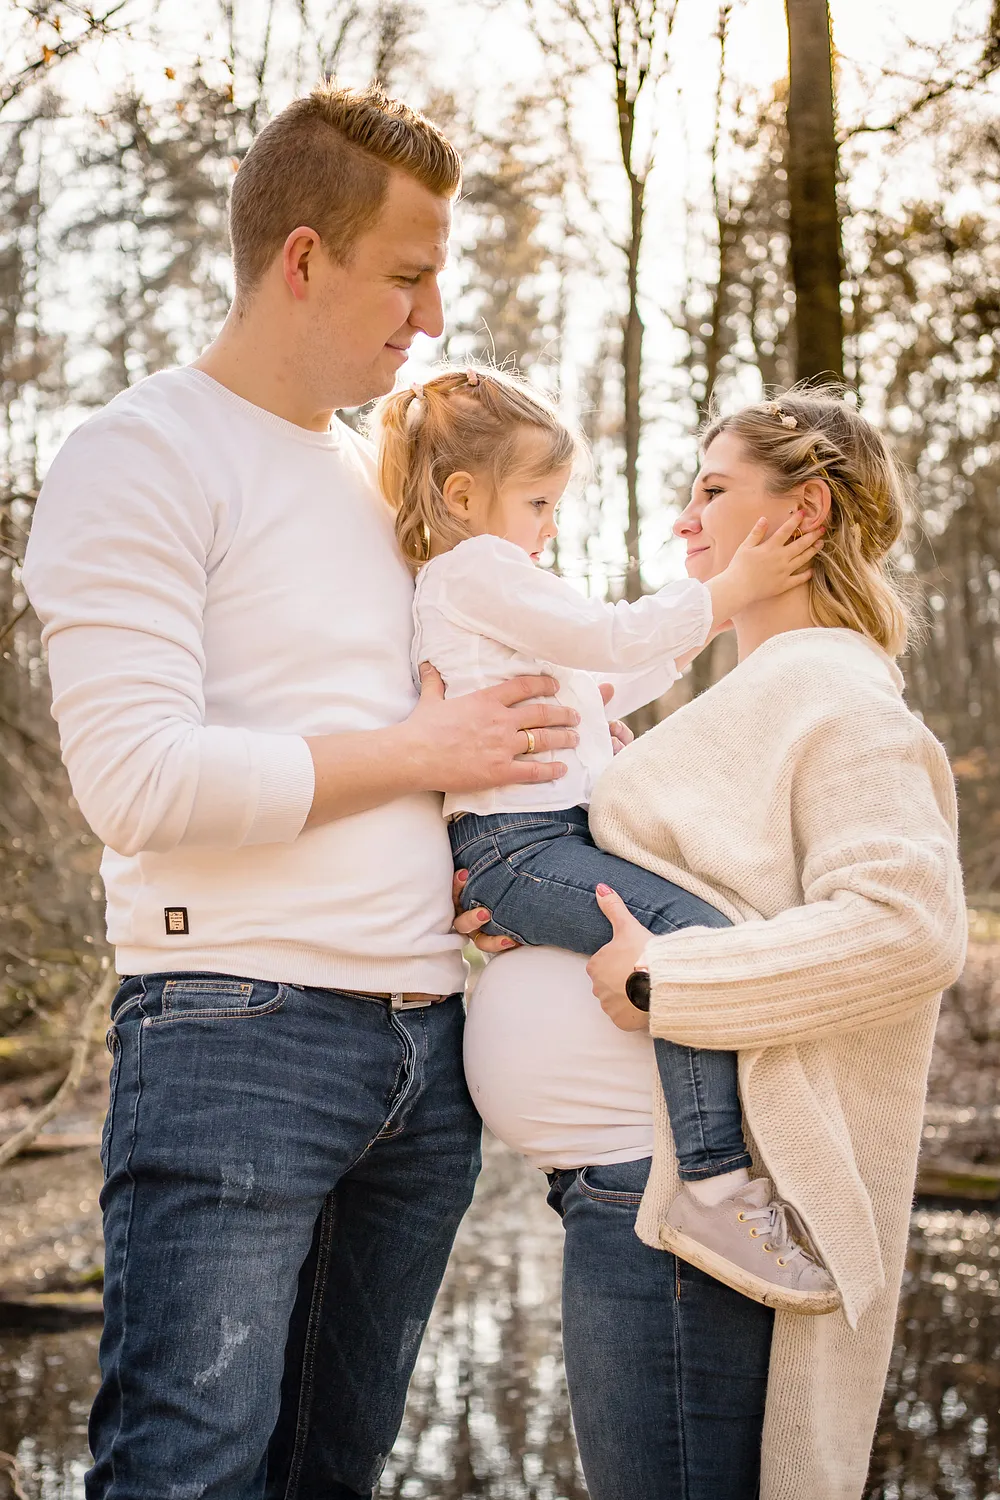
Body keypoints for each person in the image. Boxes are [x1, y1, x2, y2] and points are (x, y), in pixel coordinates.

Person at [21, 83, 582, 1498]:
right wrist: (425, 756)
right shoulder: (140, 453)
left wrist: (487, 860)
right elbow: (138, 782)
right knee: (186, 1476)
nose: (433, 315)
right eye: (407, 275)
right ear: (304, 259)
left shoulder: (387, 485)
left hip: (428, 1054)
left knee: (334, 1474)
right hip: (237, 1037)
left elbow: (431, 728)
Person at [463, 389, 967, 1500]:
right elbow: (695, 887)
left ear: (806, 512)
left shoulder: (837, 696)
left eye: (713, 489)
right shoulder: (750, 696)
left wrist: (666, 978)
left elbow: (909, 925)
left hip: (680, 1211)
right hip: (628, 1195)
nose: (684, 520)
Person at [373, 366, 836, 1313]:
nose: (551, 524)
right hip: (517, 842)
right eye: (539, 501)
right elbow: (609, 639)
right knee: (689, 943)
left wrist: (698, 626)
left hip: (535, 838)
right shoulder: (477, 568)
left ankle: (714, 1180)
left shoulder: (486, 586)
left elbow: (601, 684)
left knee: (689, 938)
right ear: (463, 496)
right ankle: (713, 1187)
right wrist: (725, 590)